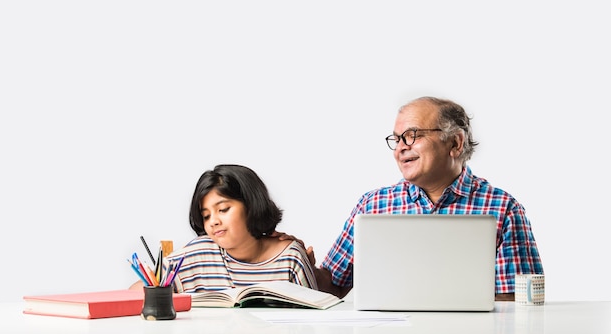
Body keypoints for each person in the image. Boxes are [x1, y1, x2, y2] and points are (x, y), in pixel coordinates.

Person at [313, 96, 543, 301]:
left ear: (455, 143)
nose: (400, 148)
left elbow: (516, 304)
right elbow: (332, 286)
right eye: (397, 139)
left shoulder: (503, 208)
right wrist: (296, 258)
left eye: (412, 135)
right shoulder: (372, 205)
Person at [130, 164, 318, 293]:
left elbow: (314, 321)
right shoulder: (197, 255)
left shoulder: (290, 258)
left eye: (223, 209)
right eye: (206, 216)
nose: (213, 221)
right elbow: (135, 293)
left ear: (251, 205)